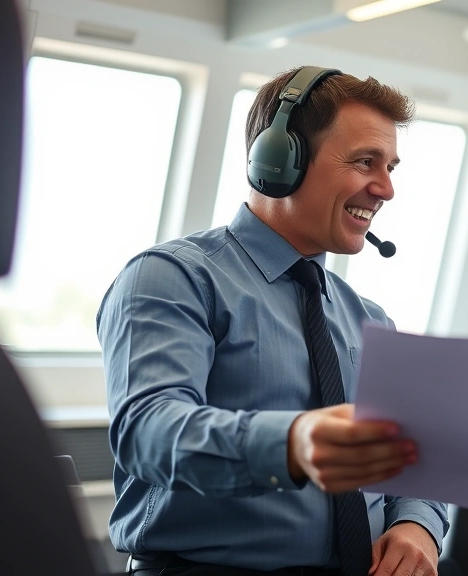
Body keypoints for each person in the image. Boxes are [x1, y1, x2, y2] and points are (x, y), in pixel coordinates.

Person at [97, 66, 448, 576]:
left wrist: (418, 524)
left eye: (392, 167)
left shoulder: (371, 320)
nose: (386, 189)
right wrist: (294, 443)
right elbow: (148, 434)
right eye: (365, 162)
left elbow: (412, 456)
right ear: (280, 159)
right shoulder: (174, 277)